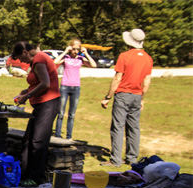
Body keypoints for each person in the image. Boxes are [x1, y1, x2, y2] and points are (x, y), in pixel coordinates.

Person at [10, 41, 61, 186]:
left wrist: (27, 96)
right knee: (27, 141)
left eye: (21, 58)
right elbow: (38, 82)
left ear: (25, 52)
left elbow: (45, 84)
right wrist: (27, 91)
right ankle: (24, 174)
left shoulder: (39, 59)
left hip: (48, 103)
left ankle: (35, 178)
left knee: (38, 141)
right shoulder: (37, 61)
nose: (22, 62)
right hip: (40, 105)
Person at [101, 29, 153, 168]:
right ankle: (132, 158)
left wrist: (108, 97)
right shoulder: (148, 58)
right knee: (134, 127)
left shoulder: (124, 56)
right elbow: (146, 82)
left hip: (123, 94)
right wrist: (142, 99)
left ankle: (115, 160)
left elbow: (117, 78)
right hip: (137, 95)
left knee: (117, 127)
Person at [54, 39, 96, 139]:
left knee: (71, 114)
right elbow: (55, 62)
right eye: (73, 49)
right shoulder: (66, 58)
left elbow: (94, 65)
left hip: (76, 88)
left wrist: (86, 53)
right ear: (70, 48)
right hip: (65, 86)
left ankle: (69, 136)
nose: (75, 51)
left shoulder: (81, 59)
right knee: (60, 113)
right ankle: (58, 135)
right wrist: (65, 51)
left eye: (77, 49)